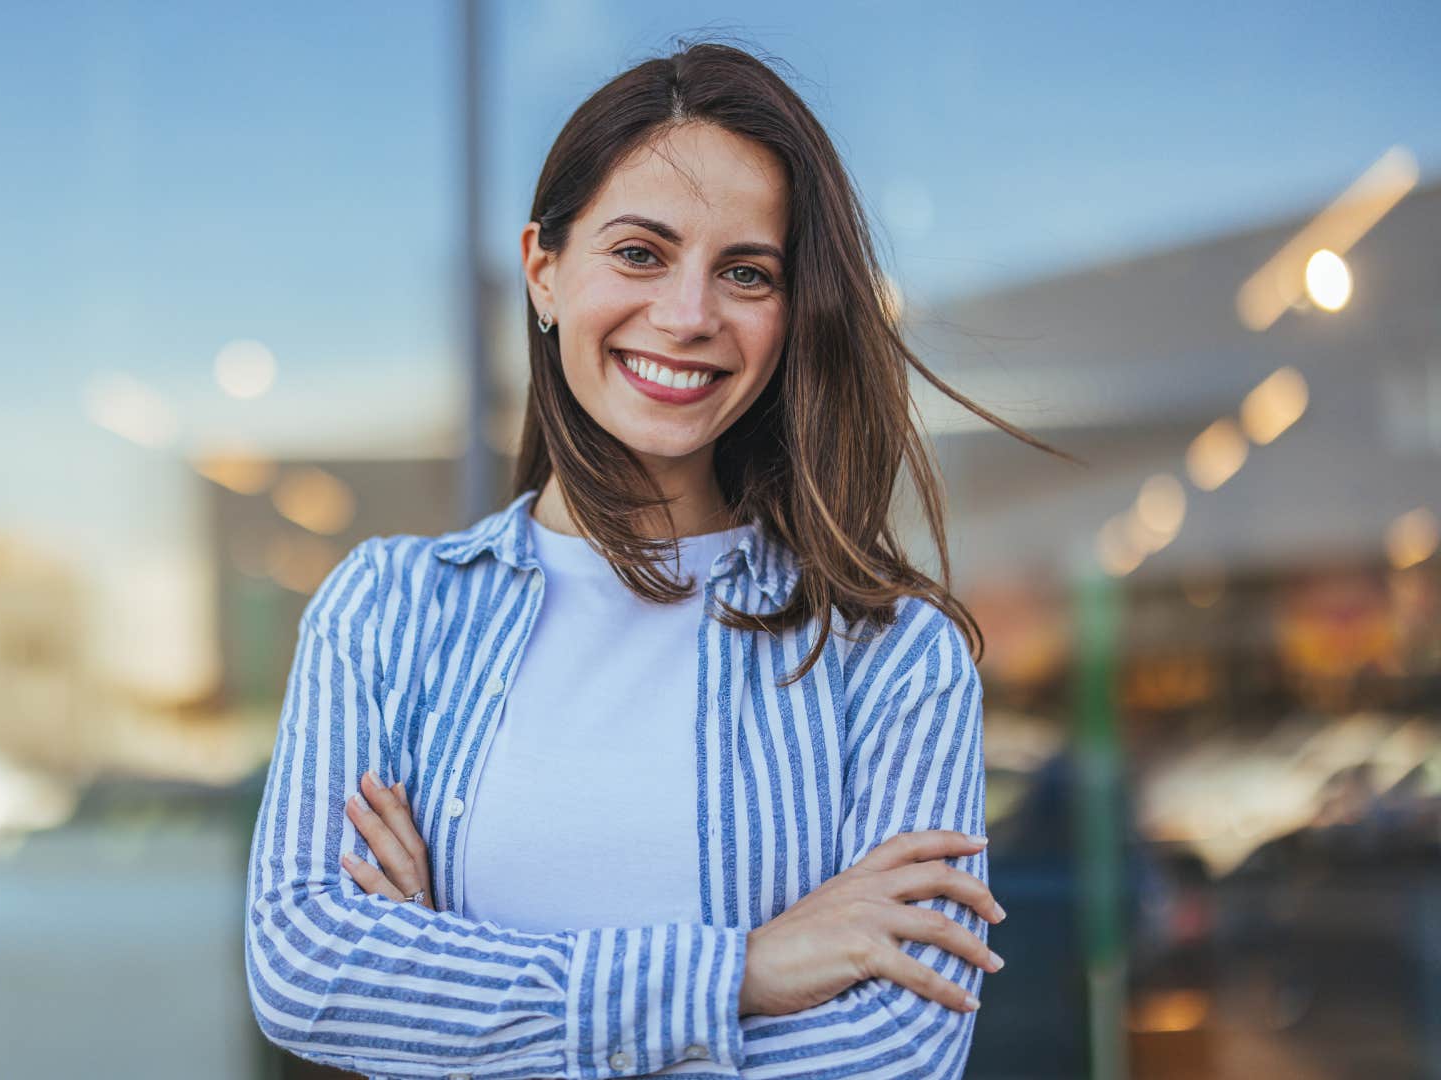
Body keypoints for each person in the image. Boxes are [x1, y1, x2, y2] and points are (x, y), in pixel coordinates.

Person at [245, 39, 1071, 1079]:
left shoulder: (892, 660)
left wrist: (445, 1001)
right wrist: (745, 973)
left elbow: (891, 1053)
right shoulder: (388, 610)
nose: (689, 316)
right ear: (544, 272)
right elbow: (309, 974)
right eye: (640, 252)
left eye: (746, 272)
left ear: (789, 315)